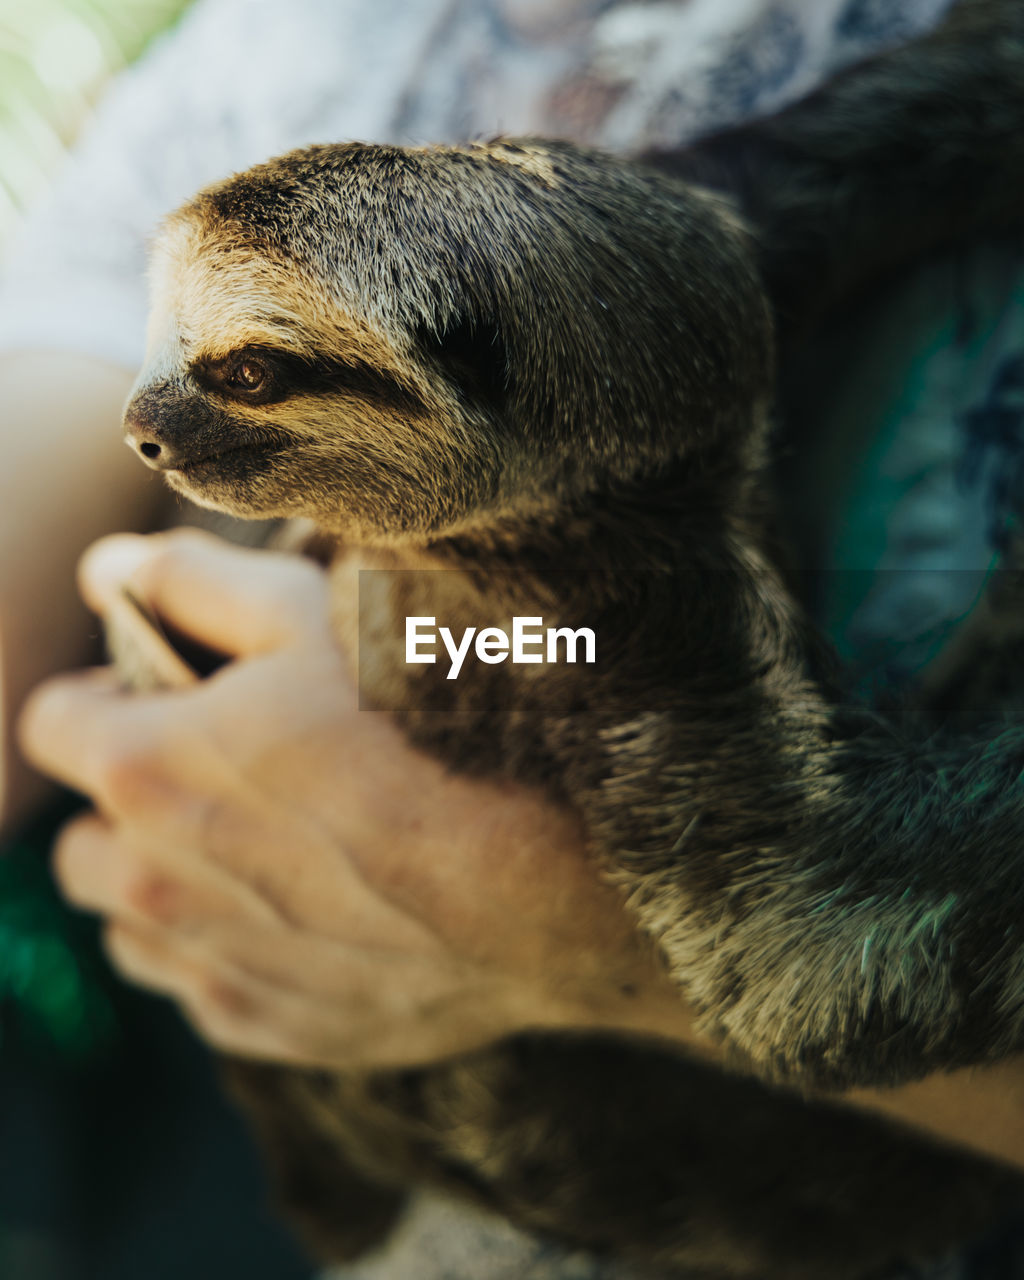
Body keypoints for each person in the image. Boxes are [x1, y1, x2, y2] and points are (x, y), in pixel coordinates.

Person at [6, 0, 1024, 1275]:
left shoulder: (628, 602)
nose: (152, 420)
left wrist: (565, 932)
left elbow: (810, 966)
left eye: (245, 374)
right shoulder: (291, 35)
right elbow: (65, 364)